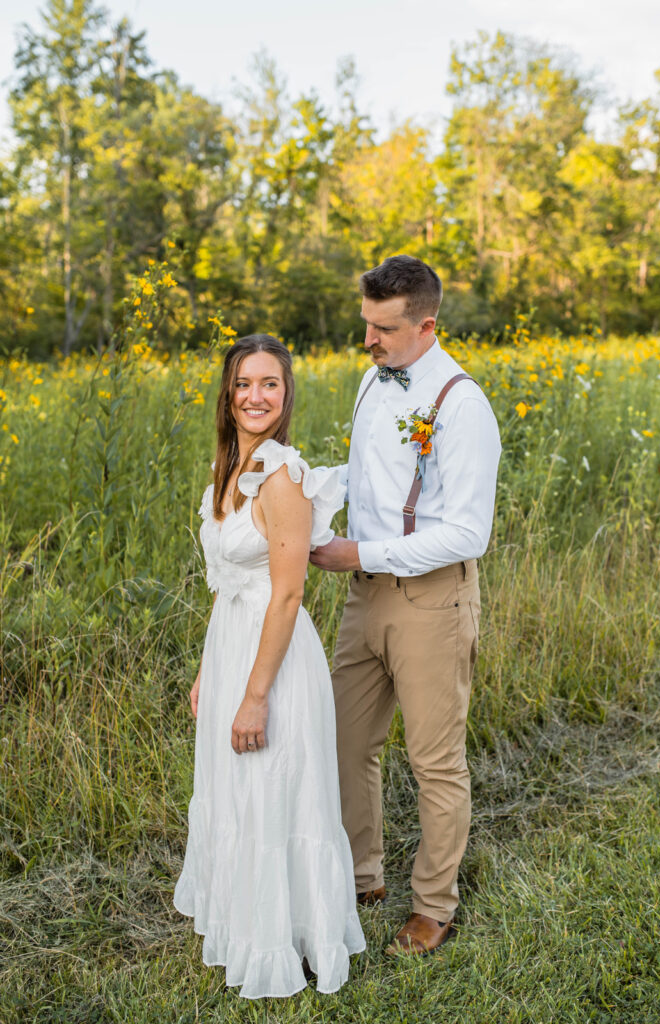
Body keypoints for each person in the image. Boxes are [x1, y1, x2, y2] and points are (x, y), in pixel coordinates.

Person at [310, 256, 501, 956]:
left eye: (383, 329)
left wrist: (359, 555)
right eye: (365, 324)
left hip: (430, 601)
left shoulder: (463, 405)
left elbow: (467, 532)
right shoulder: (370, 379)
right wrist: (294, 490)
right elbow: (365, 481)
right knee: (344, 741)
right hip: (364, 600)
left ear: (426, 325)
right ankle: (361, 878)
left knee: (433, 761)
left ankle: (433, 906)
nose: (368, 341)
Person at [174, 334, 365, 999]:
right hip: (232, 642)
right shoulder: (229, 466)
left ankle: (290, 937)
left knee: (273, 789)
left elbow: (287, 593)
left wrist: (254, 697)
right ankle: (246, 921)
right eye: (243, 385)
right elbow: (229, 581)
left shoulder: (283, 475)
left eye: (270, 385)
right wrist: (209, 671)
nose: (256, 396)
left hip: (273, 658)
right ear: (227, 396)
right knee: (237, 793)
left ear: (286, 395)